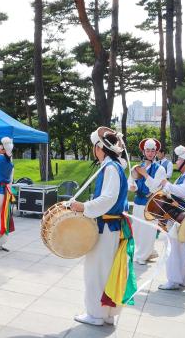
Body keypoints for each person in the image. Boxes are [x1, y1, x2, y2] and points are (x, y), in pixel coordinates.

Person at [70, 127, 136, 326]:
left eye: (94, 146)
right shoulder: (115, 165)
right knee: (106, 270)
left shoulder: (110, 168)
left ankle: (96, 315)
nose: (93, 150)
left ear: (99, 148)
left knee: (95, 270)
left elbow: (108, 198)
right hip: (111, 227)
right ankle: (106, 313)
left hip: (105, 227)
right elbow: (121, 162)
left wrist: (84, 207)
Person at [157, 145, 185, 290]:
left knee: (176, 248)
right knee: (180, 248)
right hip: (180, 217)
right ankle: (182, 279)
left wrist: (167, 184)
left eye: (180, 159)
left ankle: (174, 280)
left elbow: (184, 193)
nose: (177, 161)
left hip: (181, 217)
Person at [128, 138, 166, 265]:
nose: (150, 153)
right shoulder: (137, 167)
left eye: (152, 151)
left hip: (151, 204)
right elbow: (130, 180)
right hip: (138, 201)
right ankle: (139, 253)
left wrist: (145, 175)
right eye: (148, 150)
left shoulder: (160, 169)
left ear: (156, 152)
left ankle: (144, 255)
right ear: (144, 152)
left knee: (148, 230)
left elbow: (155, 187)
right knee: (137, 229)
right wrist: (132, 186)